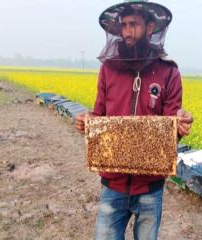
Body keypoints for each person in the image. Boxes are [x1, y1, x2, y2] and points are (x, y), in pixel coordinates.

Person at [75, 1, 193, 239]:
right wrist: (87, 122)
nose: (127, 31)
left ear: (150, 28)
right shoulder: (109, 69)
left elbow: (172, 124)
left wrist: (181, 123)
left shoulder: (168, 72)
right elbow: (99, 115)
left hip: (150, 186)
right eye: (124, 25)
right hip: (113, 184)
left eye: (134, 25)